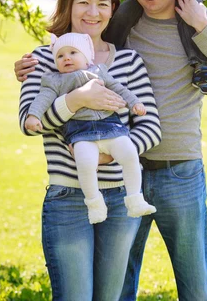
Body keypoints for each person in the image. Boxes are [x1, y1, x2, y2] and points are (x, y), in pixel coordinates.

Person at [108, 0, 207, 301]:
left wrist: (201, 26)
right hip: (123, 173)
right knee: (115, 288)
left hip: (181, 173)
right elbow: (73, 53)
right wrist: (31, 66)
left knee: (195, 289)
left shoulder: (203, 19)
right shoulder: (121, 25)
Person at [17, 0, 161, 301]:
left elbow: (151, 127)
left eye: (102, 4)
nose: (92, 13)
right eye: (83, 2)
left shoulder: (128, 61)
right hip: (67, 198)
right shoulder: (43, 58)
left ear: (113, 10)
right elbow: (28, 120)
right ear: (69, 4)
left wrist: (109, 154)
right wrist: (75, 101)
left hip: (122, 201)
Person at [25, 31, 156, 224]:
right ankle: (94, 204)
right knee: (85, 163)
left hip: (110, 127)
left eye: (73, 53)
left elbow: (119, 88)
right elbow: (42, 99)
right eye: (60, 55)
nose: (66, 58)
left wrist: (134, 103)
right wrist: (33, 115)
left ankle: (135, 199)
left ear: (87, 58)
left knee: (129, 154)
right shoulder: (53, 81)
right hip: (81, 134)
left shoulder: (99, 72)